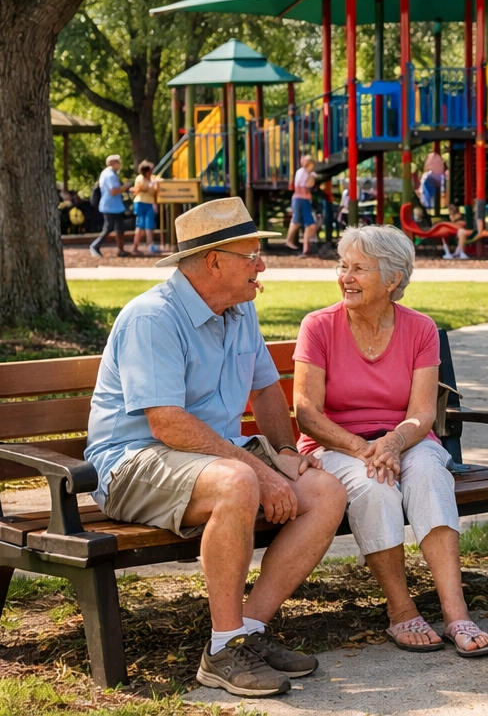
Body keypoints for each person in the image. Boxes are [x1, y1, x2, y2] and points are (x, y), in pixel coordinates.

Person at [84, 198, 348, 697]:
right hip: (131, 464)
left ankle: (245, 632)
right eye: (252, 255)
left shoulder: (238, 308)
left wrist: (284, 454)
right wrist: (262, 472)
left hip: (210, 456)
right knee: (238, 481)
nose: (262, 265)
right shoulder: (152, 318)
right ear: (213, 262)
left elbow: (267, 390)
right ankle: (223, 651)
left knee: (326, 491)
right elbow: (167, 425)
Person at [292, 226, 488, 656]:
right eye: (343, 266)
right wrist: (366, 449)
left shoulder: (420, 328)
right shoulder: (318, 326)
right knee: (374, 486)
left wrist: (394, 443)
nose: (345, 276)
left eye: (359, 269)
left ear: (393, 279)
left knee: (429, 476)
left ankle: (456, 613)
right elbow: (307, 412)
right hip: (337, 445)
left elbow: (421, 413)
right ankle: (401, 611)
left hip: (404, 440)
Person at [89, 155, 132, 257]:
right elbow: (113, 191)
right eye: (118, 162)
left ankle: (121, 250)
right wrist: (125, 187)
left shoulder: (109, 173)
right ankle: (95, 246)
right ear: (113, 163)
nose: (120, 164)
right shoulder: (110, 175)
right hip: (110, 206)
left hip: (115, 207)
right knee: (109, 228)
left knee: (120, 228)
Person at [286, 156, 319, 256]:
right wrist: (312, 178)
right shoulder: (302, 172)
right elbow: (306, 186)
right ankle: (288, 240)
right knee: (296, 222)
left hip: (304, 200)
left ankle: (306, 248)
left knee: (310, 226)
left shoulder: (307, 173)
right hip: (300, 200)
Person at [130, 160, 161, 256]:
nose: (151, 173)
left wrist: (155, 183)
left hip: (150, 203)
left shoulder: (152, 178)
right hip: (140, 203)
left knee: (149, 225)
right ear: (145, 171)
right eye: (149, 171)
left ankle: (150, 245)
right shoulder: (140, 178)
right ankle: (135, 246)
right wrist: (152, 184)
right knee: (140, 225)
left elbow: (157, 186)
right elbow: (143, 187)